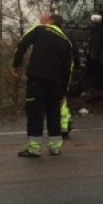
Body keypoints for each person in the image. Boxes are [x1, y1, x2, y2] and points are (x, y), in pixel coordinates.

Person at [11, 12, 74, 158]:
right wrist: (64, 92)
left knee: (35, 112)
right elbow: (68, 69)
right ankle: (55, 147)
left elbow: (22, 44)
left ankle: (34, 148)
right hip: (56, 83)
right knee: (54, 113)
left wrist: (16, 64)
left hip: (37, 78)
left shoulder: (40, 29)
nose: (40, 19)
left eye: (43, 18)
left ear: (50, 21)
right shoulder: (66, 41)